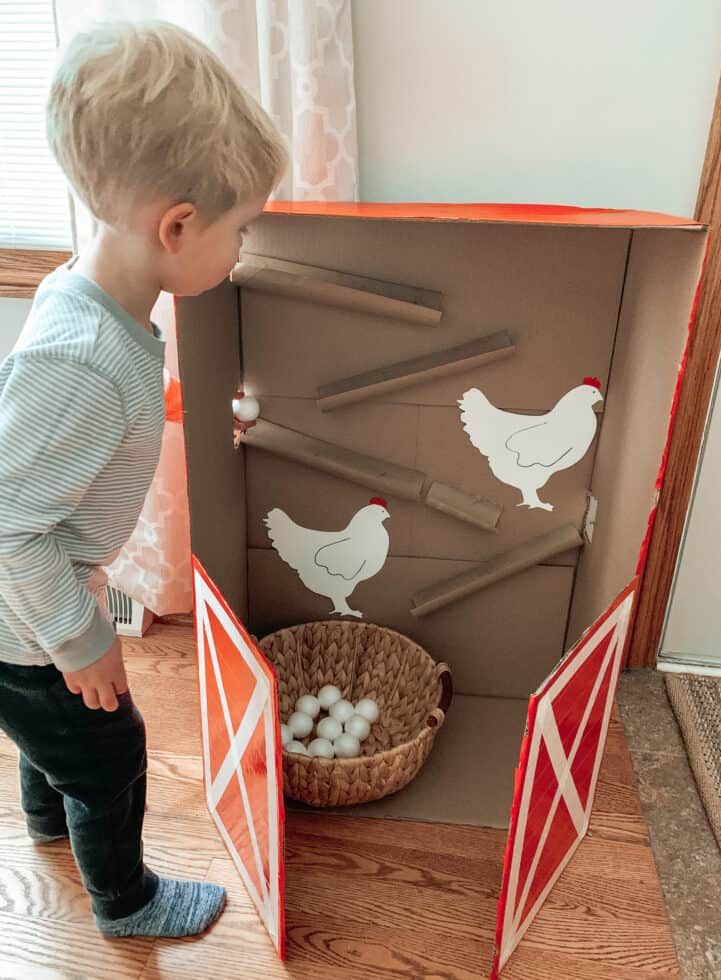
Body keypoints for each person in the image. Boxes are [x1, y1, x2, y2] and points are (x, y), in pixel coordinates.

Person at [0, 20, 287, 939]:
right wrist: (78, 639)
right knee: (108, 749)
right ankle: (125, 903)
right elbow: (10, 523)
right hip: (26, 618)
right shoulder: (86, 359)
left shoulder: (89, 299)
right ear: (177, 226)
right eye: (240, 229)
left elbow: (72, 436)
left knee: (51, 742)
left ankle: (46, 818)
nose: (241, 249)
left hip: (26, 612)